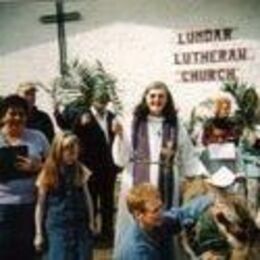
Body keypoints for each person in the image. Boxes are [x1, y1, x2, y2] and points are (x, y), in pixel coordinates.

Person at [112, 81, 208, 256]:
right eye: (153, 96)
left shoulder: (175, 124)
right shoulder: (132, 122)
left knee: (164, 220)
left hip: (167, 184)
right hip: (136, 182)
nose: (157, 100)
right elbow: (120, 159)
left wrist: (203, 175)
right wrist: (119, 136)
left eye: (161, 96)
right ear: (145, 98)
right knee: (135, 228)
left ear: (167, 99)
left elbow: (188, 155)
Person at [0, 94, 49, 260]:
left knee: (29, 254)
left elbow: (55, 167)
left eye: (22, 114)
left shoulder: (38, 137)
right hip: (2, 208)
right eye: (12, 113)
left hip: (32, 207)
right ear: (3, 116)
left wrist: (39, 166)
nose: (17, 118)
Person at [34, 131, 94, 260]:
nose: (72, 153)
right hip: (58, 226)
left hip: (79, 224)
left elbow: (87, 197)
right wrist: (38, 233)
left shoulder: (80, 169)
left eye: (75, 149)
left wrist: (91, 221)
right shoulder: (48, 171)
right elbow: (40, 204)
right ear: (58, 150)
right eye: (67, 149)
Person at [114, 183, 213, 260]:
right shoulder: (137, 252)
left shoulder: (157, 224)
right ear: (138, 215)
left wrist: (213, 199)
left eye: (160, 207)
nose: (161, 213)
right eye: (155, 211)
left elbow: (182, 214)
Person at [73, 91, 121, 244]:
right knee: (91, 202)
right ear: (92, 99)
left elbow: (118, 138)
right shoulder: (83, 116)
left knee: (108, 203)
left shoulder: (113, 117)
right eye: (99, 99)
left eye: (104, 99)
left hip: (109, 168)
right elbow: (74, 137)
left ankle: (107, 234)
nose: (102, 102)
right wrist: (80, 124)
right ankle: (90, 233)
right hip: (90, 168)